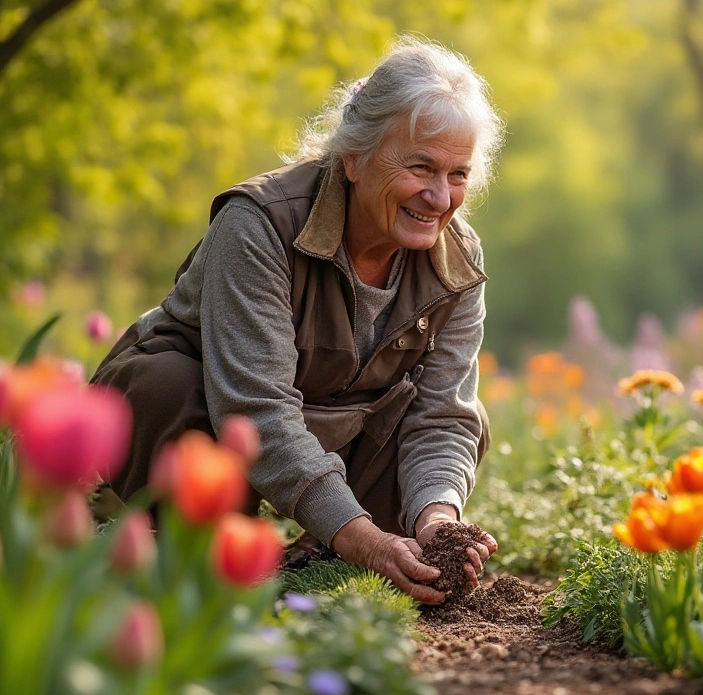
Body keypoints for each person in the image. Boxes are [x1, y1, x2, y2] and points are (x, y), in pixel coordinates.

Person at [91, 38, 504, 604]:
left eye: (458, 174)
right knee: (168, 385)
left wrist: (436, 519)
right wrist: (368, 541)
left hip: (331, 421)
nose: (439, 197)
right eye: (420, 167)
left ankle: (317, 557)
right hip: (211, 412)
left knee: (468, 417)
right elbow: (254, 407)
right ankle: (193, 550)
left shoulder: (457, 258)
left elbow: (441, 415)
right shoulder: (258, 224)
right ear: (352, 157)